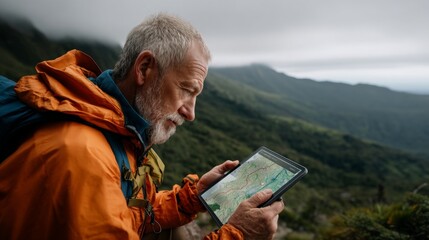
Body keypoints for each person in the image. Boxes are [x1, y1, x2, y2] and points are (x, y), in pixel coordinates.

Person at [0, 13, 284, 239]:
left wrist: (190, 199)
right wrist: (238, 235)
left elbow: (117, 215)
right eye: (186, 89)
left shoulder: (113, 124)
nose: (191, 112)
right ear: (144, 68)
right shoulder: (83, 153)